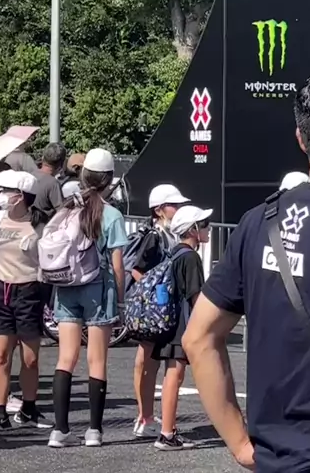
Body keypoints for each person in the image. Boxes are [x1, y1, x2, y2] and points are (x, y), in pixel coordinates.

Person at [183, 63, 310, 473]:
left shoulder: (258, 222)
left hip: (272, 459)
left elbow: (199, 338)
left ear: (301, 137)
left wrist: (239, 443)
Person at [48, 148, 127, 449]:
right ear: (109, 179)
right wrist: (120, 300)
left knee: (65, 358)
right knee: (97, 360)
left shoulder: (68, 207)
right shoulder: (112, 215)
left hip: (67, 286)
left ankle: (60, 430)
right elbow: (117, 265)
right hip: (99, 288)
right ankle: (94, 430)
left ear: (83, 176)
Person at [0, 169, 50, 433]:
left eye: (6, 191)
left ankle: (29, 408)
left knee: (30, 358)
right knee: (0, 355)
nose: (0, 196)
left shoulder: (40, 224)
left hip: (30, 290)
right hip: (1, 289)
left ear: (21, 195)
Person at [131, 184, 190, 437]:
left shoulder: (173, 234)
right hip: (156, 310)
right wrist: (154, 294)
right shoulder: (154, 236)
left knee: (153, 362)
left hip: (167, 310)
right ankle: (144, 416)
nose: (178, 209)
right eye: (173, 205)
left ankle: (151, 418)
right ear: (159, 210)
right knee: (146, 362)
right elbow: (137, 270)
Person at [151, 204, 211, 451]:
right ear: (193, 229)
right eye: (204, 224)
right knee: (175, 377)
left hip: (168, 321)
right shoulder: (191, 258)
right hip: (183, 326)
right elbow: (196, 298)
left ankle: (168, 430)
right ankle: (167, 433)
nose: (208, 228)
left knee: (171, 376)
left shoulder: (174, 253)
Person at [6, 149, 63, 223]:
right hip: (43, 225)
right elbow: (61, 211)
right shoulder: (53, 183)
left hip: (24, 223)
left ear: (43, 158)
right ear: (60, 164)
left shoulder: (28, 176)